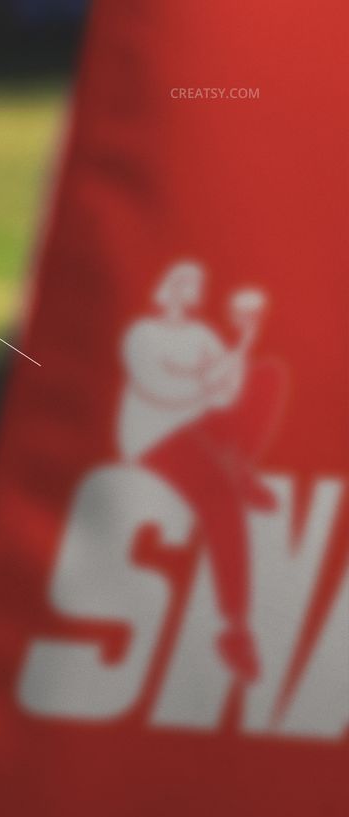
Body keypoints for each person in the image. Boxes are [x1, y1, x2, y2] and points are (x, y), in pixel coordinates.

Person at [117, 261, 284, 682]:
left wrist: (245, 340)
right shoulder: (143, 335)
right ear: (169, 287)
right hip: (155, 433)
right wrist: (207, 385)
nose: (196, 289)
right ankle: (236, 628)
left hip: (199, 427)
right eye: (189, 282)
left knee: (269, 377)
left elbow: (228, 399)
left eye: (199, 283)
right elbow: (160, 390)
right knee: (221, 501)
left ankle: (239, 465)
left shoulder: (202, 335)